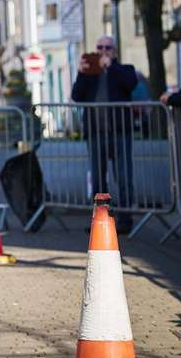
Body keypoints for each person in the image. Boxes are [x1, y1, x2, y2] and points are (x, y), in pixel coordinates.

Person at [71, 36, 138, 233]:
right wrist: (82, 74)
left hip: (119, 132)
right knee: (99, 179)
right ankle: (100, 220)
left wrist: (111, 67)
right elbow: (76, 96)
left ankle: (125, 220)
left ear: (114, 50)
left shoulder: (125, 69)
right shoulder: (90, 73)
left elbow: (130, 84)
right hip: (95, 133)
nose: (103, 51)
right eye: (99, 47)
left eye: (107, 47)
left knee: (124, 177)